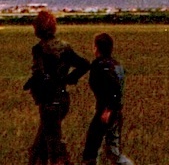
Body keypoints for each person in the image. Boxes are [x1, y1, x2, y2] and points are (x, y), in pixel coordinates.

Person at [24, 10, 91, 165]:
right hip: (62, 98)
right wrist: (68, 79)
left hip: (48, 102)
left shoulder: (39, 49)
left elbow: (39, 74)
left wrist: (34, 86)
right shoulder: (65, 47)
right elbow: (84, 64)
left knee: (50, 148)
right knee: (44, 144)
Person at [81, 33, 133, 165]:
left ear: (97, 48)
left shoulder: (99, 65)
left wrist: (108, 108)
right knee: (112, 151)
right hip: (116, 112)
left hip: (105, 111)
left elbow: (112, 87)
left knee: (91, 149)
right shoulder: (117, 65)